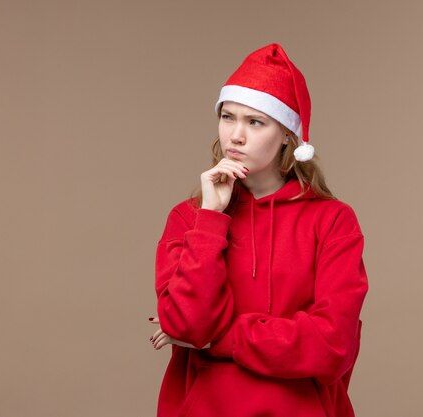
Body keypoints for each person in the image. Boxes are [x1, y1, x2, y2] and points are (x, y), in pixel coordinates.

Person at [148, 43, 369, 417]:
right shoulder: (190, 218)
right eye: (228, 117)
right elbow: (189, 324)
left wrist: (219, 339)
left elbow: (331, 347)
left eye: (255, 122)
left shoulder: (333, 221)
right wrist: (212, 218)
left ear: (287, 135)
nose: (235, 136)